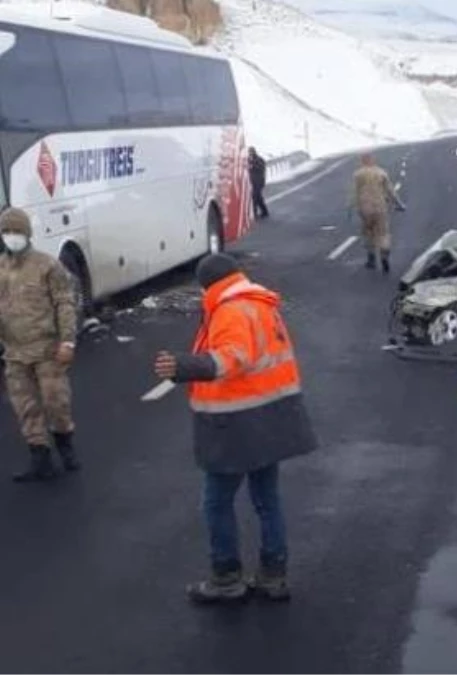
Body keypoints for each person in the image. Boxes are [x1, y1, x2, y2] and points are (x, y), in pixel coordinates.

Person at [153, 253, 317, 604]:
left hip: (235, 423)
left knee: (216, 502)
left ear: (208, 285)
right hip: (271, 416)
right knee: (266, 499)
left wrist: (185, 366)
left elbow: (234, 357)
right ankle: (274, 574)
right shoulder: (260, 303)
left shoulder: (230, 310)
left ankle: (226, 577)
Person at [0, 207, 80, 482]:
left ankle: (65, 446)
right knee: (26, 407)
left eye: (16, 231)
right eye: (6, 232)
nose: (11, 237)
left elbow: (64, 303)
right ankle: (40, 458)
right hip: (14, 353)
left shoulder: (48, 265)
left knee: (55, 402)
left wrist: (67, 341)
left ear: (27, 233)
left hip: (47, 349)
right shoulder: (0, 267)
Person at [349, 153, 403, 274]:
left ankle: (371, 258)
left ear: (362, 161)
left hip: (365, 207)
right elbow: (390, 191)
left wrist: (351, 207)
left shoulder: (358, 174)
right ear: (373, 161)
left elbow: (354, 193)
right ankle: (384, 255)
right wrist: (399, 204)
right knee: (383, 233)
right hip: (380, 206)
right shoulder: (381, 173)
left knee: (368, 232)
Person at [248, 147, 269, 220]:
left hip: (259, 182)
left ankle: (254, 213)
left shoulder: (259, 160)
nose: (250, 154)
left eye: (251, 152)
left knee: (255, 197)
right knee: (258, 198)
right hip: (253, 182)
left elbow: (261, 168)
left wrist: (253, 166)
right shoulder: (249, 160)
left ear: (254, 152)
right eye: (249, 152)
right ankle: (265, 211)